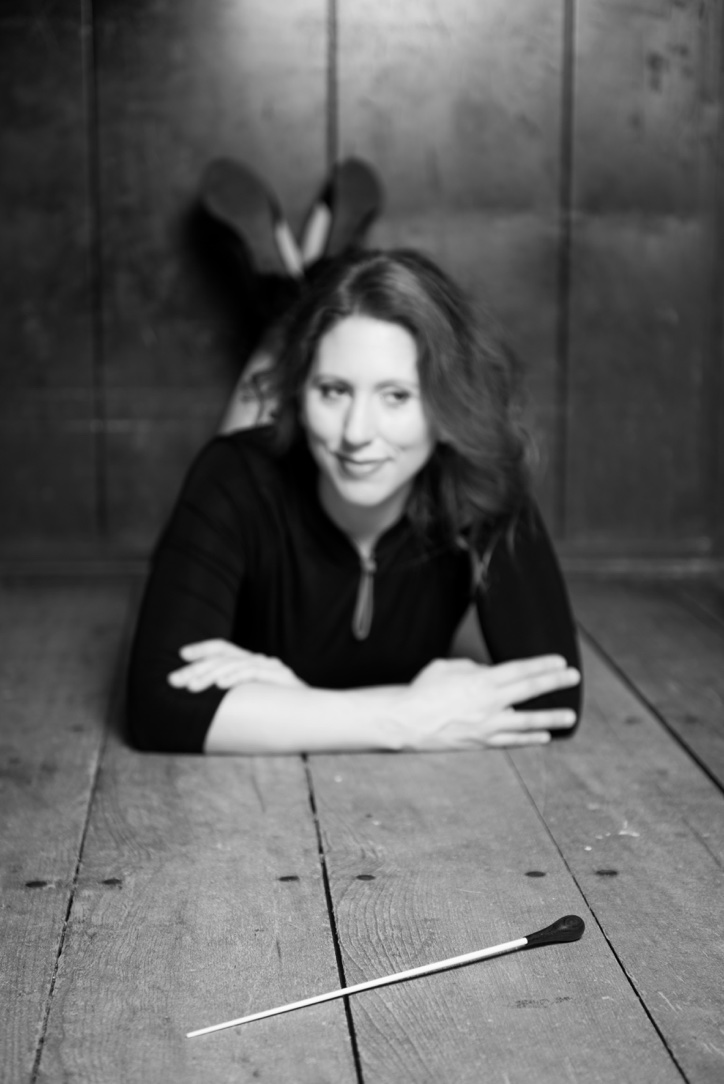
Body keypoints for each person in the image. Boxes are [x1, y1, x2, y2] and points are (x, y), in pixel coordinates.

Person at [127, 248, 582, 754]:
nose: (357, 433)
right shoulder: (232, 475)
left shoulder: (481, 484)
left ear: (447, 403)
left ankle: (302, 276)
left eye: (396, 396)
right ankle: (281, 300)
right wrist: (403, 718)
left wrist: (294, 703)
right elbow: (158, 706)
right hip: (261, 460)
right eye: (333, 390)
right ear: (301, 394)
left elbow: (554, 699)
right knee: (254, 429)